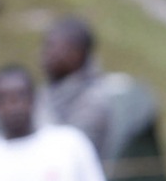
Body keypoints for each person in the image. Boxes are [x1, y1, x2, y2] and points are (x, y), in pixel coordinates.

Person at [37, 15, 115, 155]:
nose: (45, 54)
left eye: (52, 47)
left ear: (76, 54)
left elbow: (67, 153)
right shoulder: (50, 90)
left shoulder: (93, 102)